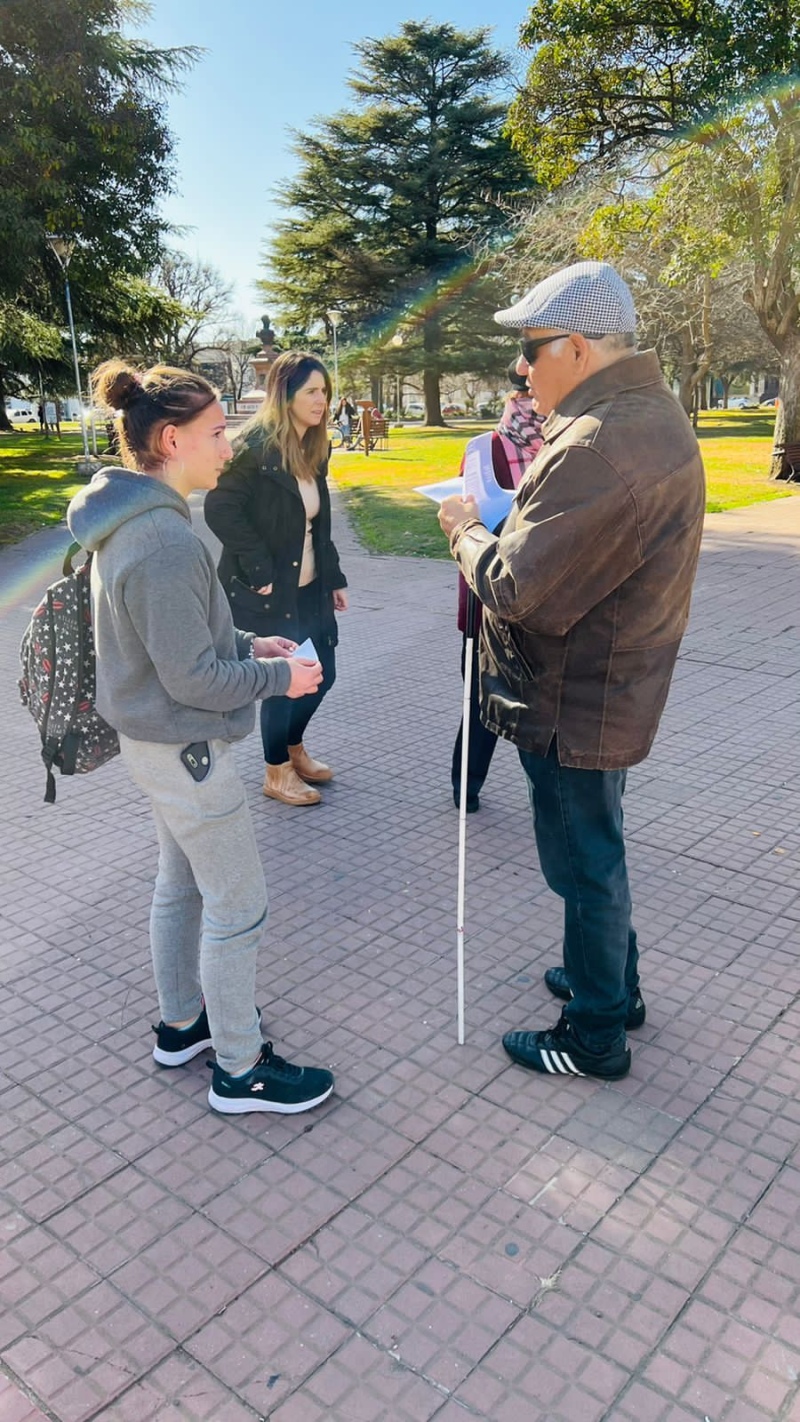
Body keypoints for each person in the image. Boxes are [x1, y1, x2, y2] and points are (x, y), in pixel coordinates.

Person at [438, 260, 705, 1082]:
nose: (523, 367)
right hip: (603, 688)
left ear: (579, 349)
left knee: (582, 863)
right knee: (595, 852)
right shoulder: (643, 414)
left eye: (532, 348)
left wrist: (461, 530)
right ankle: (611, 986)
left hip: (573, 698)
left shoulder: (600, 440)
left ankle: (594, 1034)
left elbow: (518, 587)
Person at [67, 359, 335, 1116]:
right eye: (218, 433)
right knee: (238, 903)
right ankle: (240, 1069)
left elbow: (180, 643)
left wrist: (252, 645)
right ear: (170, 439)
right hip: (183, 751)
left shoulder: (137, 525)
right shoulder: (163, 542)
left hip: (156, 746)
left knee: (181, 885)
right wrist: (283, 680)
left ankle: (183, 1024)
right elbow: (190, 679)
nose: (229, 447)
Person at [205, 351, 348, 807]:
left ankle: (293, 748)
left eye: (324, 391)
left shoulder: (312, 448)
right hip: (266, 592)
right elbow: (220, 508)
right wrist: (258, 566)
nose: (321, 400)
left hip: (310, 585)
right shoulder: (254, 447)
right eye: (311, 391)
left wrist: (335, 576)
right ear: (285, 396)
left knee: (322, 676)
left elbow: (317, 524)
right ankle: (276, 772)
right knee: (285, 680)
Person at [451, 362, 543, 812]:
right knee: (499, 701)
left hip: (515, 595)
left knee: (493, 701)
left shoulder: (571, 443)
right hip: (502, 596)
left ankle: (469, 790)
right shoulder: (485, 449)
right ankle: (470, 787)